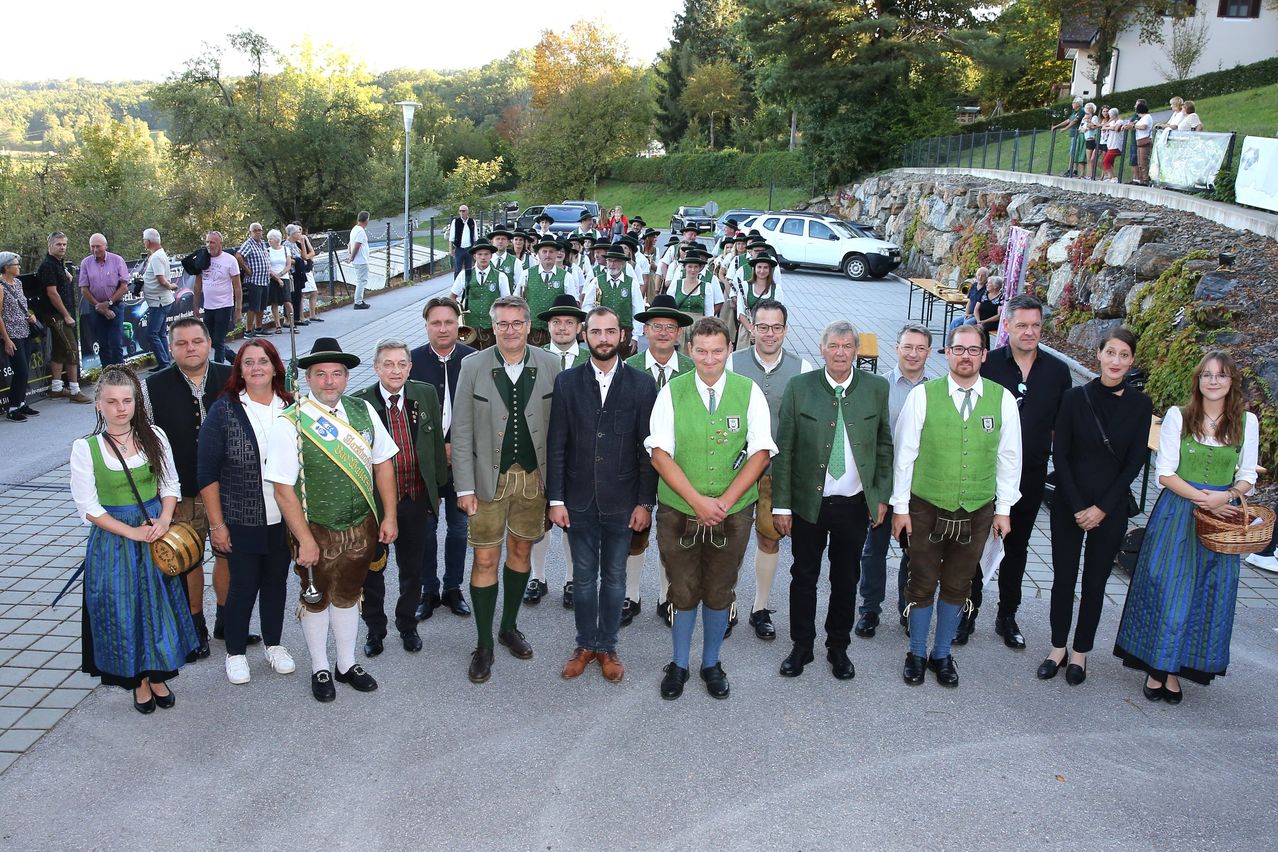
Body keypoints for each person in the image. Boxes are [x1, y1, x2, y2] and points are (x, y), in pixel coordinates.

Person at [1114, 351, 1259, 704]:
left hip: (1221, 518)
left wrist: (1226, 497)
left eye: (1221, 376)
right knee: (1168, 589)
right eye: (1207, 374)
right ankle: (1156, 666)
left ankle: (1177, 669)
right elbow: (1165, 473)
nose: (1213, 381)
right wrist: (1204, 498)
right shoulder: (1180, 417)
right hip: (1178, 513)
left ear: (1231, 381)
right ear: (1198, 380)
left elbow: (1248, 475)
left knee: (1203, 595)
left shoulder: (1246, 421)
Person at [647, 317, 775, 700]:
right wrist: (697, 502)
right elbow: (659, 453)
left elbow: (761, 452)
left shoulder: (748, 391)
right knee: (682, 589)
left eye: (717, 351)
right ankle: (679, 663)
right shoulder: (672, 392)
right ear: (690, 351)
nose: (709, 358)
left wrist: (725, 502)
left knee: (720, 589)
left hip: (732, 510)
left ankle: (711, 662)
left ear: (728, 350)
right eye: (701, 351)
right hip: (679, 509)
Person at [265, 337, 399, 702]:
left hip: (361, 525)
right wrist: (305, 540)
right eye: (320, 374)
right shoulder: (290, 422)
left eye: (337, 374)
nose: (329, 381)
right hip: (316, 528)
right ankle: (320, 667)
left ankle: (346, 663)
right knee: (316, 598)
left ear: (346, 377)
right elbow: (283, 490)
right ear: (307, 379)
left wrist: (389, 515)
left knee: (348, 595)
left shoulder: (362, 411)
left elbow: (383, 463)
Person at [891, 324, 1021, 688]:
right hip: (926, 506)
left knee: (958, 585)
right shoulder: (923, 396)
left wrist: (1004, 509)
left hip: (978, 509)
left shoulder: (1003, 399)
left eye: (973, 350)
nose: (965, 356)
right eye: (958, 349)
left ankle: (942, 654)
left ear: (984, 355)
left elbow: (1010, 458)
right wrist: (900, 507)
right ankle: (917, 652)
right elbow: (905, 455)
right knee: (921, 582)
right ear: (947, 353)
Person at [70, 364, 197, 713]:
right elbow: (89, 508)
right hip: (115, 540)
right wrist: (133, 532)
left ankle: (157, 674)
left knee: (159, 607)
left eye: (127, 400)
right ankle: (138, 681)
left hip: (156, 531)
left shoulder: (154, 436)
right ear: (98, 405)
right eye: (112, 401)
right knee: (123, 609)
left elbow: (170, 484)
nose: (121, 408)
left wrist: (165, 519)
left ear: (137, 403)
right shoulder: (86, 449)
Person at [771, 319, 891, 681]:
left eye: (847, 347)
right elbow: (785, 449)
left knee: (846, 578)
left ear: (857, 350)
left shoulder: (876, 388)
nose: (840, 353)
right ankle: (802, 645)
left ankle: (838, 647)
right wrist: (781, 505)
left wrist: (881, 496)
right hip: (809, 504)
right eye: (833, 346)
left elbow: (884, 444)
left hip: (854, 504)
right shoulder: (799, 387)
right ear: (822, 349)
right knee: (803, 576)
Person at [450, 296, 562, 683]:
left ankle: (508, 626)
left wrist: (557, 489)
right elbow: (461, 431)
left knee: (520, 549)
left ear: (530, 326)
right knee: (484, 559)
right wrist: (463, 486)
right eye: (502, 324)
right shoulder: (472, 365)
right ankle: (483, 643)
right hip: (486, 480)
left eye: (517, 323)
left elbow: (558, 432)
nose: (510, 330)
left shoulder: (551, 364)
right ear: (492, 326)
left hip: (533, 480)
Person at [547, 306, 657, 682]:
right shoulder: (567, 382)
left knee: (613, 578)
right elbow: (556, 444)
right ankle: (584, 644)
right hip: (577, 501)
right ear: (585, 336)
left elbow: (648, 449)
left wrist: (645, 502)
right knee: (582, 578)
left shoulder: (643, 385)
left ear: (623, 336)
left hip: (623, 502)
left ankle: (607, 645)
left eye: (611, 332)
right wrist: (556, 499)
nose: (604, 339)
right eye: (596, 332)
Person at [1040, 327, 1151, 686]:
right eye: (1111, 352)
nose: (1116, 361)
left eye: (1124, 355)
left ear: (1132, 360)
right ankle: (1057, 647)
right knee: (1063, 578)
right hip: (1069, 504)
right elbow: (1062, 454)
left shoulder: (1140, 405)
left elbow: (1134, 464)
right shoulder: (1074, 398)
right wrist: (1077, 505)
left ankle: (1081, 653)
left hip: (1111, 507)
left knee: (1094, 583)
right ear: (1099, 354)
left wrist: (1101, 508)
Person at [960, 294, 1070, 650]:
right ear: (1005, 326)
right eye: (1022, 324)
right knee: (975, 545)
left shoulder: (1057, 372)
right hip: (984, 474)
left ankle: (1007, 614)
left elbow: (1061, 428)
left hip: (1031, 474)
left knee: (1017, 547)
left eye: (1036, 325)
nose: (1029, 332)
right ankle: (968, 610)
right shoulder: (988, 365)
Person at [196, 339, 298, 685]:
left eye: (263, 361)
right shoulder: (223, 410)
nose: (256, 368)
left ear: (275, 367)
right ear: (239, 370)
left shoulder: (291, 406)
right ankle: (236, 653)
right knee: (242, 586)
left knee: (276, 583)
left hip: (283, 518)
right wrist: (217, 524)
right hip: (241, 517)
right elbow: (206, 473)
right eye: (248, 363)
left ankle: (274, 644)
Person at [145, 317, 235, 661]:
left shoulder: (231, 378)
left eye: (196, 341)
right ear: (170, 348)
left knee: (229, 553)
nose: (190, 348)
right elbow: (143, 441)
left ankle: (227, 619)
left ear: (209, 343)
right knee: (187, 558)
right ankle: (193, 626)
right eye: (181, 343)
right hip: (179, 492)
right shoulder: (151, 387)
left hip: (227, 488)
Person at [724, 299, 813, 640]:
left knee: (769, 537)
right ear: (752, 328)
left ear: (786, 329)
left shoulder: (801, 368)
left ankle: (759, 607)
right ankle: (727, 602)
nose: (770, 334)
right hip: (735, 469)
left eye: (777, 327)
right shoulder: (732, 362)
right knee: (731, 538)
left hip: (776, 471)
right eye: (763, 327)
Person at [352, 339, 446, 657]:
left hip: (415, 498)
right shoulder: (360, 403)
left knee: (413, 569)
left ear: (410, 367)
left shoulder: (425, 394)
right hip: (376, 506)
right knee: (372, 571)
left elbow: (434, 450)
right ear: (377, 368)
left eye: (401, 364)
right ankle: (375, 630)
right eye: (388, 364)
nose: (395, 370)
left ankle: (407, 625)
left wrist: (437, 494)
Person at [855, 324, 934, 637]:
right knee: (874, 550)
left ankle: (908, 608)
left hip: (920, 488)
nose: (913, 354)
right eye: (907, 347)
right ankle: (869, 610)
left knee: (914, 551)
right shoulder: (879, 387)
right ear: (897, 348)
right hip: (883, 484)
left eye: (920, 348)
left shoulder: (936, 391)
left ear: (929, 352)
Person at [623, 295, 695, 627]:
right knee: (634, 533)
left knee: (673, 535)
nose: (663, 333)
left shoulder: (694, 370)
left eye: (670, 327)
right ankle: (630, 595)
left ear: (679, 334)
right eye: (656, 326)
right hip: (634, 464)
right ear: (645, 330)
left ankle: (668, 597)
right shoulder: (628, 368)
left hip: (678, 466)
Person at [409, 297, 475, 620]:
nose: (443, 328)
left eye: (449, 322)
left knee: (459, 528)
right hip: (426, 465)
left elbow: (484, 413)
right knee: (426, 529)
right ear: (426, 326)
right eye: (436, 323)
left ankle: (453, 587)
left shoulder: (474, 360)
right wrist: (437, 447)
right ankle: (428, 589)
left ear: (458, 325)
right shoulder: (411, 362)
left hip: (463, 463)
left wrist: (457, 447)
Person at [525, 295, 590, 607]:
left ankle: (573, 578)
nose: (562, 327)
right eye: (556, 322)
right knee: (539, 518)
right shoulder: (533, 359)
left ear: (579, 327)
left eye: (569, 322)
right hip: (540, 451)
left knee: (572, 519)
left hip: (578, 452)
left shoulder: (591, 359)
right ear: (547, 326)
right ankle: (538, 577)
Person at [35, 233, 90, 403]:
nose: (62, 247)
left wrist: (66, 272)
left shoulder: (58, 264)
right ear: (50, 245)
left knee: (59, 349)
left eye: (65, 244)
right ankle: (74, 390)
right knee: (72, 348)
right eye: (59, 244)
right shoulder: (47, 266)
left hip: (60, 313)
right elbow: (52, 293)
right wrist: (66, 315)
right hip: (55, 314)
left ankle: (57, 388)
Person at [449, 239, 512, 351]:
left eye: (486, 254)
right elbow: (452, 297)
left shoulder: (501, 276)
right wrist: (458, 314)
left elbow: (506, 302)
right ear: (474, 256)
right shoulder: (465, 275)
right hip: (469, 326)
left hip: (491, 326)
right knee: (468, 356)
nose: (483, 257)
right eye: (480, 254)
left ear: (491, 256)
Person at [583, 246, 645, 359]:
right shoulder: (597, 281)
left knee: (625, 367)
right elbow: (586, 306)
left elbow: (638, 310)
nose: (612, 264)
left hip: (625, 333)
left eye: (616, 261)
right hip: (602, 331)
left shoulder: (631, 283)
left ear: (623, 263)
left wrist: (635, 337)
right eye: (609, 260)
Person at [78, 233, 129, 367]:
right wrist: (99, 306)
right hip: (96, 308)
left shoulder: (117, 260)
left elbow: (124, 287)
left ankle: (121, 373)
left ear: (105, 246)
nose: (95, 250)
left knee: (116, 343)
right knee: (103, 343)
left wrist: (109, 303)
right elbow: (84, 288)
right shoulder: (86, 263)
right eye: (92, 247)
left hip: (115, 305)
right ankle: (107, 374)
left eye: (98, 246)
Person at [0, 252, 40, 422]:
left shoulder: (18, 283)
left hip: (24, 330)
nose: (19, 267)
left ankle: (22, 402)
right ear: (6, 267)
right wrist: (7, 339)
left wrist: (32, 317)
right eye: (16, 264)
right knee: (21, 369)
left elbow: (23, 305)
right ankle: (13, 407)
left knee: (25, 370)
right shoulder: (1, 287)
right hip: (12, 334)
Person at [192, 232, 243, 364]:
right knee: (209, 339)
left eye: (212, 242)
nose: (209, 245)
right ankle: (233, 357)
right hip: (209, 306)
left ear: (220, 243)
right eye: (207, 242)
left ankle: (219, 368)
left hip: (224, 305)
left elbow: (237, 286)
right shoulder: (203, 259)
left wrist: (238, 309)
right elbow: (198, 284)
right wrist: (196, 305)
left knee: (218, 340)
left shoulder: (230, 260)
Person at [522, 236, 581, 349]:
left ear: (556, 254)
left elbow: (573, 304)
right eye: (544, 251)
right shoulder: (526, 274)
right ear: (538, 254)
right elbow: (518, 301)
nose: (548, 255)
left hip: (557, 331)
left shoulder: (566, 276)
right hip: (532, 329)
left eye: (551, 252)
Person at [734, 254, 785, 349]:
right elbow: (740, 313)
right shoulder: (745, 286)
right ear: (754, 269)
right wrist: (752, 331)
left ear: (770, 270)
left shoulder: (776, 289)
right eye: (759, 267)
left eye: (765, 268)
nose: (762, 271)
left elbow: (779, 314)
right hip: (747, 331)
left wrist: (765, 331)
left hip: (768, 333)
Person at [141, 229, 175, 369]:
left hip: (159, 301)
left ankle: (164, 363)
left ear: (148, 241)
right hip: (160, 300)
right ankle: (164, 361)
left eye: (144, 240)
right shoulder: (159, 255)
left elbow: (161, 279)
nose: (143, 242)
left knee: (152, 333)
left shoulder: (156, 257)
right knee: (160, 332)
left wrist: (170, 286)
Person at [239, 223, 272, 337]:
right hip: (254, 281)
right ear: (250, 232)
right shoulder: (249, 244)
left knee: (262, 306)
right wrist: (246, 269)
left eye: (259, 230)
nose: (258, 232)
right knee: (253, 307)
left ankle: (258, 328)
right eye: (255, 230)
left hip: (264, 280)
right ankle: (248, 331)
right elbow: (238, 256)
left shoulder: (262, 243)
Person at [947, 267, 990, 336]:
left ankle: (963, 344)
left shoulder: (987, 289)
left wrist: (972, 315)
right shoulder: (974, 285)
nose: (980, 277)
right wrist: (966, 313)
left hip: (979, 316)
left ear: (986, 277)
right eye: (978, 275)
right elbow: (969, 301)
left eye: (983, 276)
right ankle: (949, 345)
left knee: (966, 324)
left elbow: (984, 307)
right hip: (969, 314)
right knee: (955, 322)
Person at [286, 224, 314, 326]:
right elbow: (288, 259)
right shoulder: (287, 245)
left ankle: (297, 317)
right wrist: (299, 261)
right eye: (298, 232)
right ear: (293, 234)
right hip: (292, 273)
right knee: (293, 297)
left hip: (299, 273)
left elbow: (304, 256)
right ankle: (290, 319)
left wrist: (302, 243)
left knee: (298, 296)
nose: (300, 234)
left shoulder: (295, 244)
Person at [1050, 98, 1086, 178]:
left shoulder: (1081, 111)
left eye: (1074, 102)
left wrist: (1065, 129)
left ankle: (1071, 170)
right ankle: (1073, 170)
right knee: (1073, 151)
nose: (1072, 104)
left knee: (1073, 152)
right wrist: (1057, 126)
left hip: (1078, 134)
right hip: (1073, 134)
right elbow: (1068, 120)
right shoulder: (1075, 112)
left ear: (1078, 104)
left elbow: (1074, 121)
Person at [266, 229, 293, 333]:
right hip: (272, 278)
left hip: (284, 277)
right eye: (268, 239)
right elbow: (267, 267)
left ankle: (291, 323)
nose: (269, 241)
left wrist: (281, 275)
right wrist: (276, 278)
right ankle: (278, 325)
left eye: (270, 239)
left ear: (277, 240)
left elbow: (288, 265)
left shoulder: (286, 250)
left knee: (287, 302)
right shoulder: (267, 251)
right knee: (275, 303)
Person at [348, 211, 371, 310]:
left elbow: (350, 244)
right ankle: (358, 302)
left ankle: (359, 300)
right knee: (362, 281)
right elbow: (357, 244)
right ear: (366, 220)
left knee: (359, 280)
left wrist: (350, 254)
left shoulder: (354, 229)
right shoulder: (361, 231)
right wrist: (352, 256)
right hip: (361, 259)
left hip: (357, 260)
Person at [1131, 99, 1154, 185]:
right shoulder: (1142, 118)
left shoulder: (1147, 117)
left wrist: (1134, 126)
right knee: (1140, 162)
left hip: (1145, 142)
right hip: (1140, 142)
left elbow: (1144, 127)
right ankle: (1141, 179)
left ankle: (1145, 180)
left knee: (1144, 162)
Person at [451, 205, 477, 275]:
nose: (462, 212)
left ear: (467, 212)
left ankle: (468, 284)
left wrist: (475, 249)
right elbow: (451, 237)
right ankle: (457, 284)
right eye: (460, 211)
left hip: (469, 248)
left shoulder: (472, 221)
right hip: (459, 249)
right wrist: (451, 250)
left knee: (469, 269)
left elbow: (475, 237)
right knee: (457, 269)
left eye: (463, 211)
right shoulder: (455, 221)